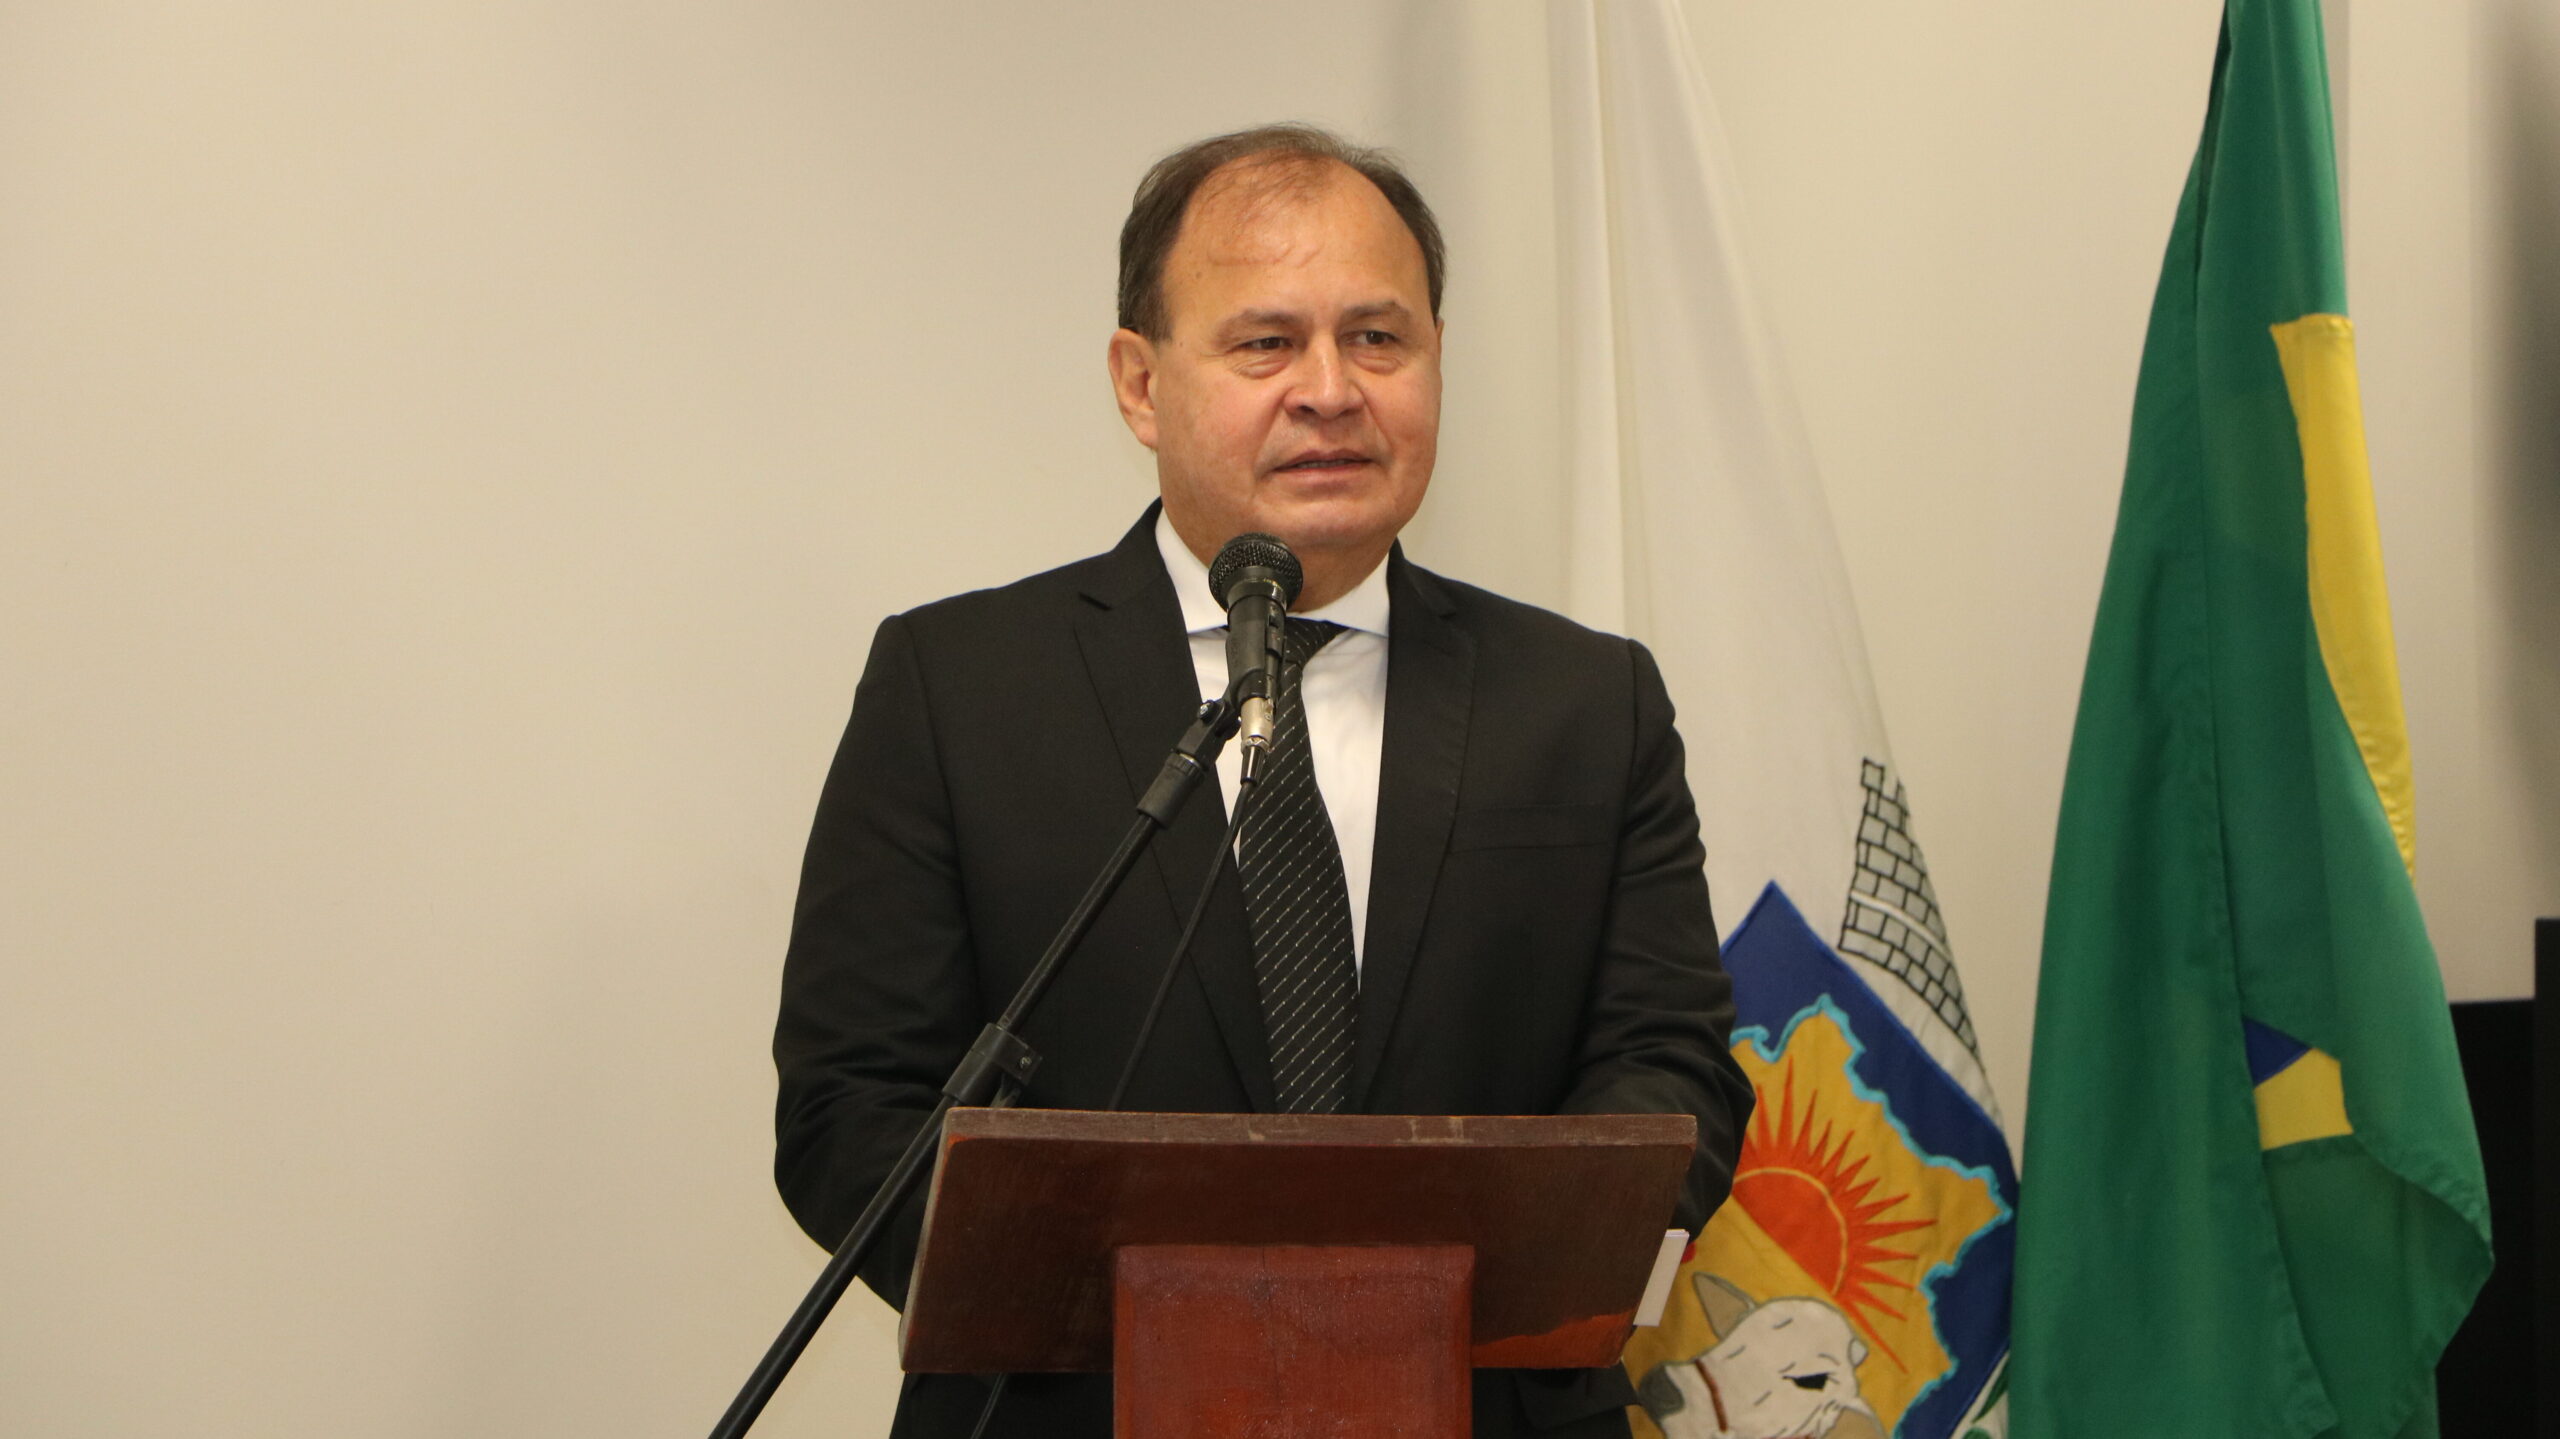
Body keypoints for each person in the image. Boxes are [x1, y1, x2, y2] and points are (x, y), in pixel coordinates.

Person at [773, 123, 1752, 1439]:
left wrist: (1463, 1269)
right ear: (1140, 382)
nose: (1331, 390)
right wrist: (1158, 1313)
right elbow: (852, 1107)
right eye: (1264, 342)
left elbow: (1670, 1068)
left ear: (1436, 363)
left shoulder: (1586, 701)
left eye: (1378, 338)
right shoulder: (958, 686)